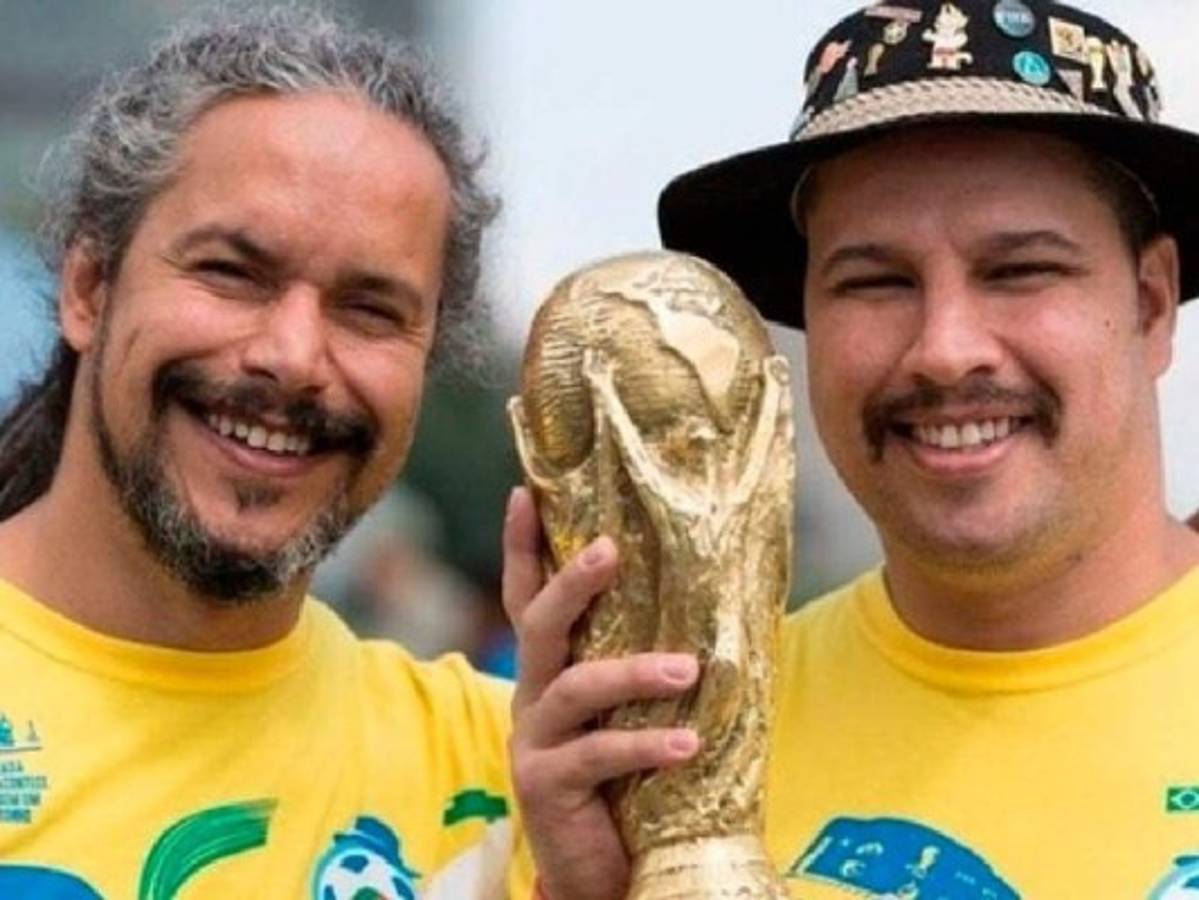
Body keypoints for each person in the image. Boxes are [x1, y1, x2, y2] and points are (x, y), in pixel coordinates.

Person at [502, 1, 1199, 897]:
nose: (945, 348)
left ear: (1149, 305)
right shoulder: (655, 752)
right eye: (874, 282)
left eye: (1019, 269)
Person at [0, 7, 530, 898]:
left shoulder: (517, 785)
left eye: (369, 309)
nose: (292, 356)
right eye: (230, 273)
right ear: (89, 288)